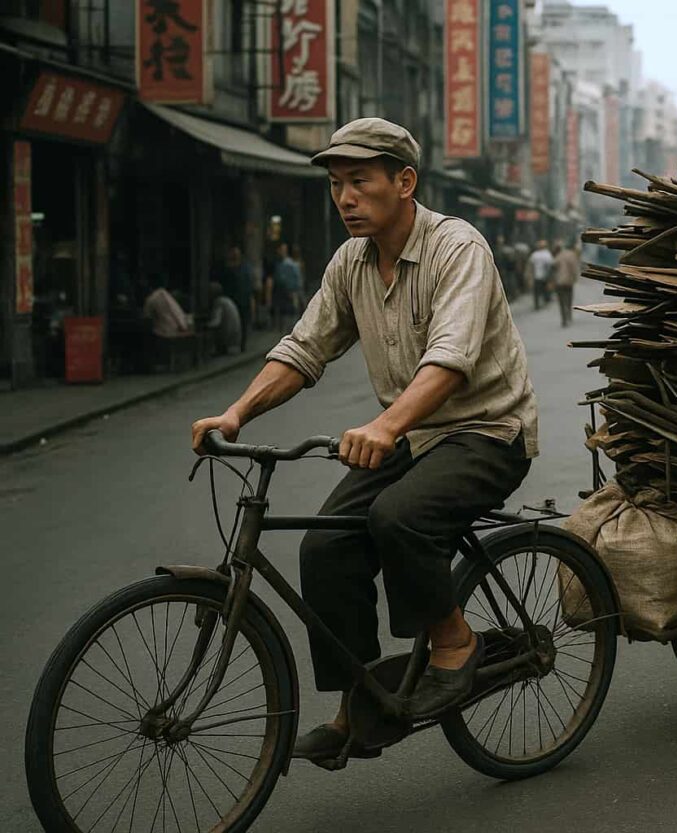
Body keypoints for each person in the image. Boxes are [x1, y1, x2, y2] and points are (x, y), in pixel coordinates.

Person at [190, 117, 538, 765]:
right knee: (325, 544)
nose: (345, 197)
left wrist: (384, 425)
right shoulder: (351, 261)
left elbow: (451, 356)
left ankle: (455, 642)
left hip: (486, 430)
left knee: (397, 516)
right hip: (413, 434)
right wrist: (236, 413)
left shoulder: (458, 248)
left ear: (404, 182)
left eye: (359, 181)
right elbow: (304, 347)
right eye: (335, 184)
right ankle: (359, 699)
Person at [218, 246, 254, 350]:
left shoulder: (244, 267)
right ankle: (227, 345)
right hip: (232, 298)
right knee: (229, 323)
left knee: (243, 322)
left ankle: (242, 345)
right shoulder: (228, 268)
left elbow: (248, 284)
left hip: (243, 299)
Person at [271, 241, 303, 332]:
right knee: (282, 319)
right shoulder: (278, 265)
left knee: (291, 319)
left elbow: (297, 280)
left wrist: (295, 292)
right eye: (281, 250)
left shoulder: (291, 265)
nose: (282, 252)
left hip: (290, 294)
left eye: (284, 250)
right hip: (280, 294)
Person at [206, 281, 242, 355]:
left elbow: (216, 322)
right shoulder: (226, 300)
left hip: (229, 338)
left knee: (211, 331)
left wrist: (205, 326)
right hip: (235, 336)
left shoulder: (219, 302)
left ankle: (215, 350)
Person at [552, 237, 581, 328]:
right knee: (569, 299)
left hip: (559, 281)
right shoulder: (572, 255)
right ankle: (569, 315)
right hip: (569, 281)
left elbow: (554, 264)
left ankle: (564, 319)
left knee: (561, 301)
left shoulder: (559, 255)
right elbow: (574, 268)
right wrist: (576, 277)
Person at [527, 239, 553, 310]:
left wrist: (530, 276)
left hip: (537, 276)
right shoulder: (548, 254)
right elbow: (551, 266)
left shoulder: (534, 255)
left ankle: (537, 304)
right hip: (545, 276)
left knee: (536, 292)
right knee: (545, 290)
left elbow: (530, 265)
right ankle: (545, 301)